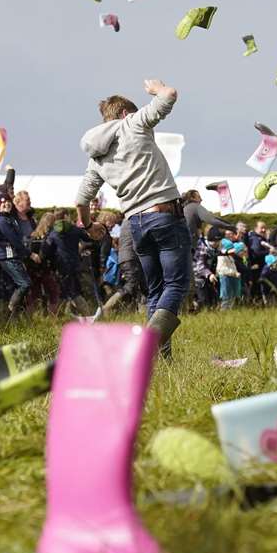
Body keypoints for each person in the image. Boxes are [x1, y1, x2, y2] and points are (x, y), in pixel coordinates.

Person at [73, 79, 187, 357]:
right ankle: (150, 344)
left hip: (135, 223)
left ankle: (163, 361)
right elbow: (169, 95)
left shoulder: (96, 158)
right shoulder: (133, 123)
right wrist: (156, 89)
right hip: (163, 215)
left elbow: (81, 200)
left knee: (156, 290)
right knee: (176, 284)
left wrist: (90, 225)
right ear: (125, 114)